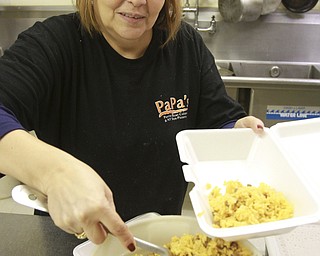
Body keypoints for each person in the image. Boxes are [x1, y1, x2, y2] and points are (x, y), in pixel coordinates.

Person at [0, 0, 264, 252]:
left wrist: (237, 132)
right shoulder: (54, 43)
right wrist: (54, 174)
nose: (138, 2)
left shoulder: (184, 45)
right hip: (71, 241)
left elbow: (219, 119)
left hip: (158, 241)